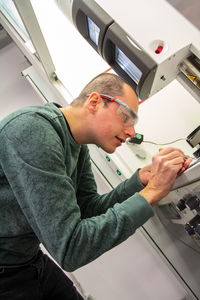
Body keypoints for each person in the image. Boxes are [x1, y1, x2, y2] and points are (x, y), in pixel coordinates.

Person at [0, 73, 191, 299]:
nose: (131, 132)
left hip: (29, 260)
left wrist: (140, 182)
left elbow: (88, 209)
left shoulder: (77, 146)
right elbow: (71, 248)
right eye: (127, 117)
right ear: (94, 102)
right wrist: (153, 193)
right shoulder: (32, 130)